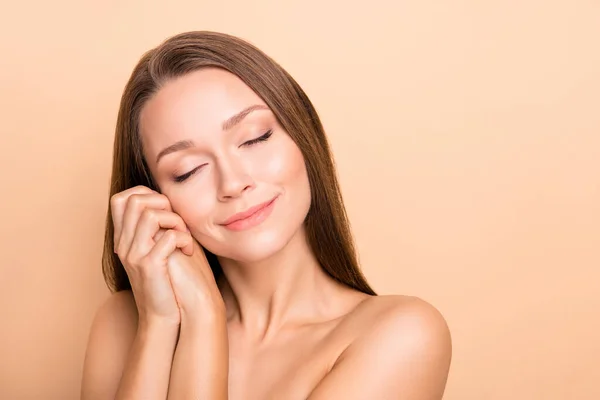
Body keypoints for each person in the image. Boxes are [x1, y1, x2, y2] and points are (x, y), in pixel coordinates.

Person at [80, 31, 452, 400]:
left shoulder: (403, 335)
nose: (234, 182)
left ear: (303, 134)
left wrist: (205, 324)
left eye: (254, 138)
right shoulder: (125, 323)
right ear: (156, 198)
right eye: (188, 170)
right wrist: (162, 325)